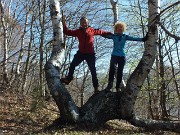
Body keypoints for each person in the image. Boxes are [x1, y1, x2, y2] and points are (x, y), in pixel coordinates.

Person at [61, 16, 112, 94]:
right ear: (80, 24)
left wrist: (112, 35)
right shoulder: (78, 31)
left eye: (85, 22)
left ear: (88, 23)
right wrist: (64, 22)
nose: (84, 24)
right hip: (80, 53)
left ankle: (96, 88)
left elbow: (101, 32)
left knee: (93, 71)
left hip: (90, 54)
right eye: (82, 22)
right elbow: (67, 32)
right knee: (72, 65)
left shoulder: (92, 30)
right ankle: (69, 78)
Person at [103, 22, 148, 92]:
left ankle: (117, 87)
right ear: (116, 29)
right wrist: (97, 32)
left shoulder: (125, 36)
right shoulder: (113, 36)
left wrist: (143, 39)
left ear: (123, 29)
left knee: (120, 71)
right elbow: (104, 35)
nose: (120, 29)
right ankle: (110, 85)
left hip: (122, 57)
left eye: (121, 28)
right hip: (114, 55)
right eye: (118, 28)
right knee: (112, 69)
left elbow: (134, 38)